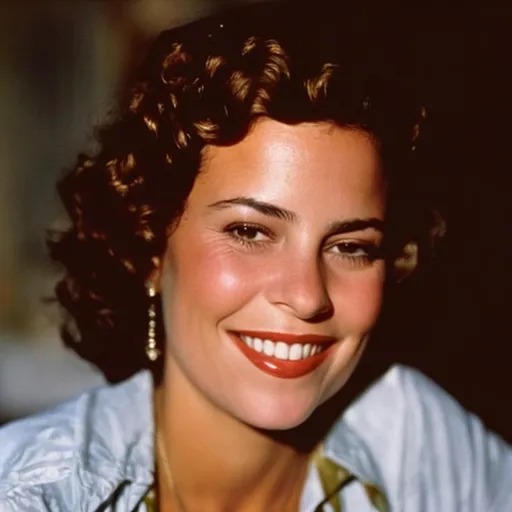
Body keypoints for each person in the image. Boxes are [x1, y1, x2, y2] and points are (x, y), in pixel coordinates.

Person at [1, 2, 510, 511]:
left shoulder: (413, 440)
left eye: (350, 246)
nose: (308, 296)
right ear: (150, 245)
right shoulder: (33, 494)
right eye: (250, 231)